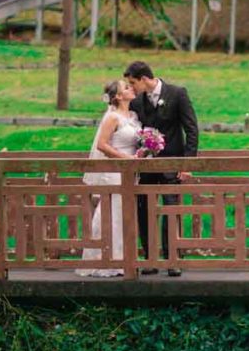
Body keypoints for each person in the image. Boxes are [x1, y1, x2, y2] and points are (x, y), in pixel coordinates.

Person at [124, 61, 199, 277]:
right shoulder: (137, 102)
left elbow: (191, 130)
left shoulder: (177, 94)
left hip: (172, 165)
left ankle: (173, 259)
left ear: (144, 79)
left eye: (132, 83)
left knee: (170, 210)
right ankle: (150, 259)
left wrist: (187, 164)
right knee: (144, 211)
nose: (131, 87)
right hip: (147, 167)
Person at [77, 80, 140, 278]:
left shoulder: (133, 116)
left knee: (125, 215)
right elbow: (102, 145)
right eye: (126, 88)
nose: (131, 89)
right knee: (111, 214)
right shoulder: (112, 117)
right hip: (114, 171)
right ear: (118, 97)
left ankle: (124, 260)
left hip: (130, 172)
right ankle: (103, 261)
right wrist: (126, 159)